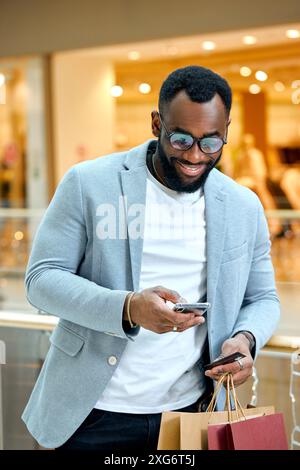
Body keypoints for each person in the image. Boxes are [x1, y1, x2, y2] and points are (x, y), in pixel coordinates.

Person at [22, 66, 280, 451]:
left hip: (189, 414)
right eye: (180, 139)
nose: (194, 156)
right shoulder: (88, 183)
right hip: (90, 414)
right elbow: (41, 280)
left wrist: (245, 340)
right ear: (157, 123)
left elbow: (263, 298)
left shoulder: (243, 205)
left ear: (227, 130)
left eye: (211, 143)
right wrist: (128, 308)